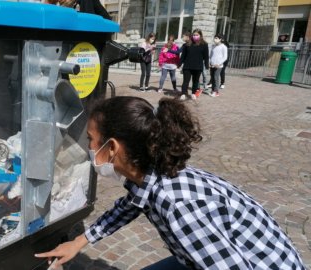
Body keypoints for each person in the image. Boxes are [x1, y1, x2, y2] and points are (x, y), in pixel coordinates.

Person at [35, 96, 306, 270]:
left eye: (92, 139)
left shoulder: (178, 205)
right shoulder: (151, 174)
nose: (89, 146)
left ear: (113, 147)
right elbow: (128, 207)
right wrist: (80, 241)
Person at [178, 29, 209, 100]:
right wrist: (179, 63)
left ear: (200, 35)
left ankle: (193, 93)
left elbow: (206, 56)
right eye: (194, 35)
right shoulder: (187, 44)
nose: (195, 36)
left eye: (197, 35)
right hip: (187, 66)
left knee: (195, 81)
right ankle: (183, 93)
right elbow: (183, 56)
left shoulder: (204, 45)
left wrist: (207, 65)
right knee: (186, 81)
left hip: (198, 66)